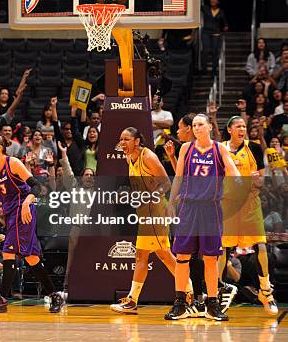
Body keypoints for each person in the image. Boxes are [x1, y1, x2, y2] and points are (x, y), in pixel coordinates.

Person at [0, 135, 65, 313]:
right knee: (31, 258)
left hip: (24, 210)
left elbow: (36, 186)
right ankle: (55, 295)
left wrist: (27, 203)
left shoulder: (13, 163)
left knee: (8, 251)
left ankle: (1, 298)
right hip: (12, 213)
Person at [165, 114, 240, 321]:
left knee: (210, 259)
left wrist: (238, 183)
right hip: (188, 208)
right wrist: (171, 202)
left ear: (209, 127)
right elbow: (178, 177)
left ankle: (212, 304)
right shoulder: (186, 149)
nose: (196, 128)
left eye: (200, 124)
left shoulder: (219, 149)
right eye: (194, 125)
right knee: (182, 257)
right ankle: (180, 303)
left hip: (211, 209)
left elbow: (233, 171)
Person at [110, 127, 192, 315]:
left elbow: (166, 184)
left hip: (155, 211)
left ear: (137, 141)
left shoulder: (148, 157)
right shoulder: (128, 157)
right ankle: (188, 292)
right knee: (160, 255)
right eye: (121, 139)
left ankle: (187, 293)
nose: (122, 142)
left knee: (151, 255)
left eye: (127, 139)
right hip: (145, 212)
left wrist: (148, 197)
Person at [218, 116, 278, 315]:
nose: (242, 129)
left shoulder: (253, 148)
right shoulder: (220, 149)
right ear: (229, 130)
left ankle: (265, 291)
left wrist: (252, 180)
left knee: (260, 245)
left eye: (244, 126)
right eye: (238, 126)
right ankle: (216, 292)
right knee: (224, 248)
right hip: (228, 205)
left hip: (250, 205)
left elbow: (261, 182)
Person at [201, 0, 228, 76]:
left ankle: (214, 70)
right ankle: (204, 70)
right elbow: (195, 5)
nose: (213, 0)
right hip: (206, 32)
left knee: (215, 51)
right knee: (205, 50)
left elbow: (225, 22)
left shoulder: (221, 11)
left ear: (218, 1)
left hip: (216, 32)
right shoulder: (205, 8)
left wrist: (225, 26)